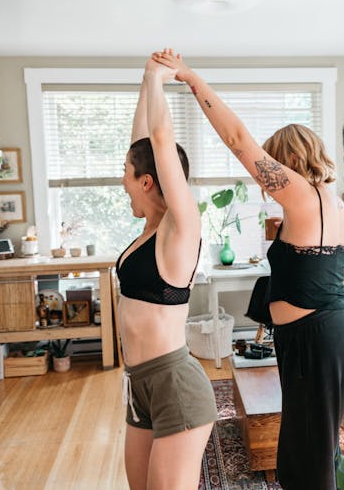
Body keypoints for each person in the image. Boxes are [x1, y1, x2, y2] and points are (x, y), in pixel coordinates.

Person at [154, 49, 344, 490]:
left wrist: (192, 79)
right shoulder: (336, 204)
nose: (260, 177)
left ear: (287, 162)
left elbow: (236, 138)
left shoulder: (304, 196)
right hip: (329, 333)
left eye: (270, 165)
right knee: (311, 452)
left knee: (307, 464)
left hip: (319, 342)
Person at [116, 56, 216, 490]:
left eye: (126, 173)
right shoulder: (148, 230)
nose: (121, 181)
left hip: (174, 382)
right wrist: (145, 77)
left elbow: (158, 138)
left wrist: (159, 78)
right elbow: (145, 142)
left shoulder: (180, 230)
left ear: (146, 182)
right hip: (138, 383)